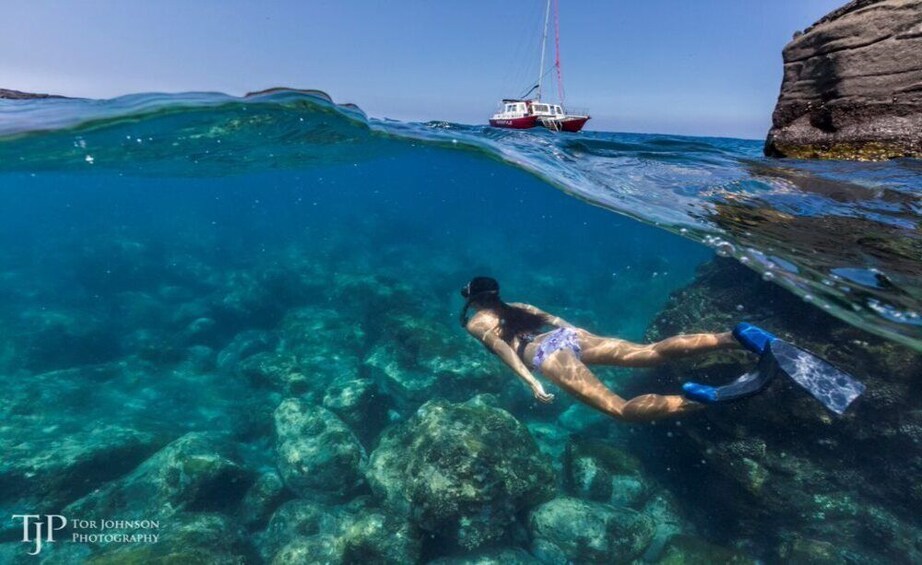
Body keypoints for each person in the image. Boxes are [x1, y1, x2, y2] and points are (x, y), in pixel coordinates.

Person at [459, 276, 779, 423]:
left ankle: (698, 400)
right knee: (651, 352)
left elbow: (505, 350)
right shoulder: (518, 304)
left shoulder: (477, 323)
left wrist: (532, 383)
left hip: (545, 357)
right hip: (565, 339)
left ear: (474, 299)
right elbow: (553, 319)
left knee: (621, 409)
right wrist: (576, 330)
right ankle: (734, 335)